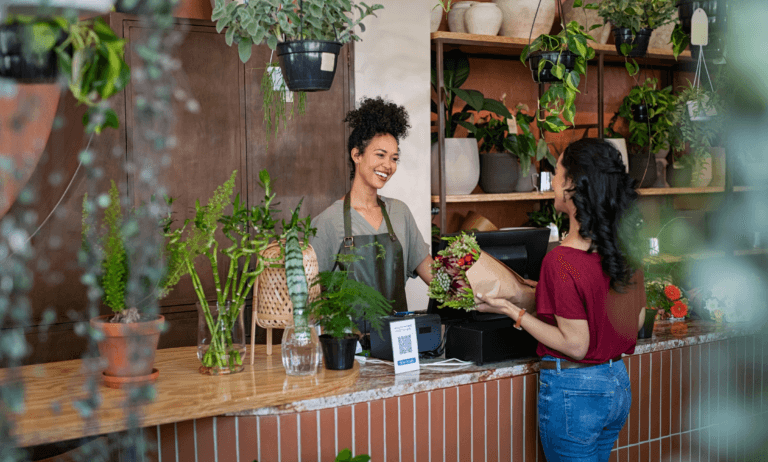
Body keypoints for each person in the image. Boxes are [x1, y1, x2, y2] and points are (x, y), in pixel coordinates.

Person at [475, 138, 645, 462]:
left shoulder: (562, 261)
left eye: (557, 172)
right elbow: (634, 321)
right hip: (617, 385)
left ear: (571, 187)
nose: (552, 179)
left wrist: (514, 311)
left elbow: (576, 345)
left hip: (576, 392)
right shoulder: (625, 251)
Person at [310, 97, 433, 332]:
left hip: (399, 343)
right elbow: (311, 297)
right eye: (380, 155)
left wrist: (477, 292)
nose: (388, 165)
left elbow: (435, 278)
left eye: (394, 158)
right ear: (357, 155)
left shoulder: (400, 213)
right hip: (349, 349)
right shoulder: (329, 221)